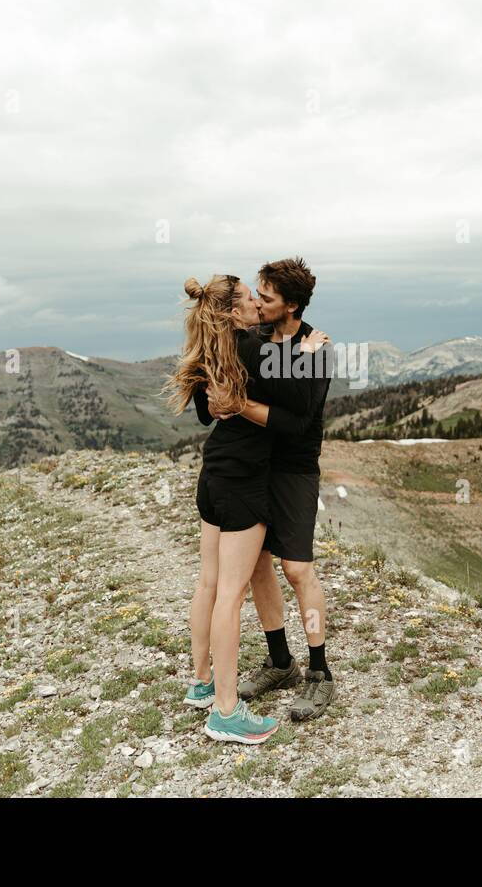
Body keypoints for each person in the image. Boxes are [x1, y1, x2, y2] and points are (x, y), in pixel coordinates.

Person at [163, 274, 322, 744]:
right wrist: (306, 356)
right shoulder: (252, 348)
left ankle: (202, 683)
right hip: (243, 483)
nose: (256, 302)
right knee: (231, 595)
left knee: (208, 584)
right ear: (233, 311)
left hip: (213, 475)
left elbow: (203, 415)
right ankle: (226, 712)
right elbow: (295, 411)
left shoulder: (208, 348)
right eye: (250, 298)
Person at [203, 258, 337, 722]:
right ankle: (280, 661)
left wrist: (239, 404)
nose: (258, 302)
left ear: (292, 306)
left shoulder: (317, 349)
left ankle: (320, 673)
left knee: (297, 569)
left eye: (268, 297)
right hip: (257, 469)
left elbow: (299, 423)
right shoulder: (257, 340)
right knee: (258, 566)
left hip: (295, 470)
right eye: (256, 293)